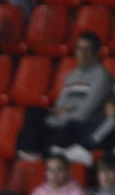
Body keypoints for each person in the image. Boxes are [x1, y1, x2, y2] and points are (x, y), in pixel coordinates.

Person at [17, 32, 113, 162]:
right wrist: (57, 113)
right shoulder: (71, 76)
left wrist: (62, 114)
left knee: (53, 131)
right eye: (79, 48)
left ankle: (37, 152)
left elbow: (85, 111)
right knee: (34, 112)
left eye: (86, 49)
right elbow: (59, 105)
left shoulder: (102, 77)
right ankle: (30, 152)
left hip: (78, 125)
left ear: (96, 52)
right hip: (60, 121)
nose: (81, 53)